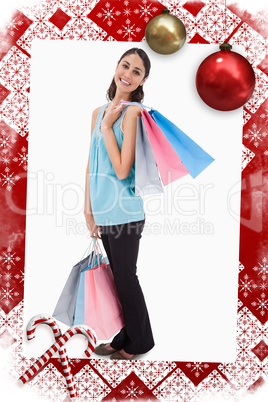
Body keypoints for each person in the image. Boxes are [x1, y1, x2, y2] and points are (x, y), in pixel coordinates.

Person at [84, 47, 155, 360]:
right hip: (103, 209)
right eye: (125, 66)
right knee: (119, 280)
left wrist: (105, 129)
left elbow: (124, 169)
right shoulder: (97, 112)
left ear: (143, 80)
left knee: (126, 279)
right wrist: (88, 210)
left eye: (136, 71)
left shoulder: (132, 113)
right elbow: (92, 163)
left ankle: (140, 342)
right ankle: (127, 335)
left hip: (126, 210)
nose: (127, 74)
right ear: (116, 67)